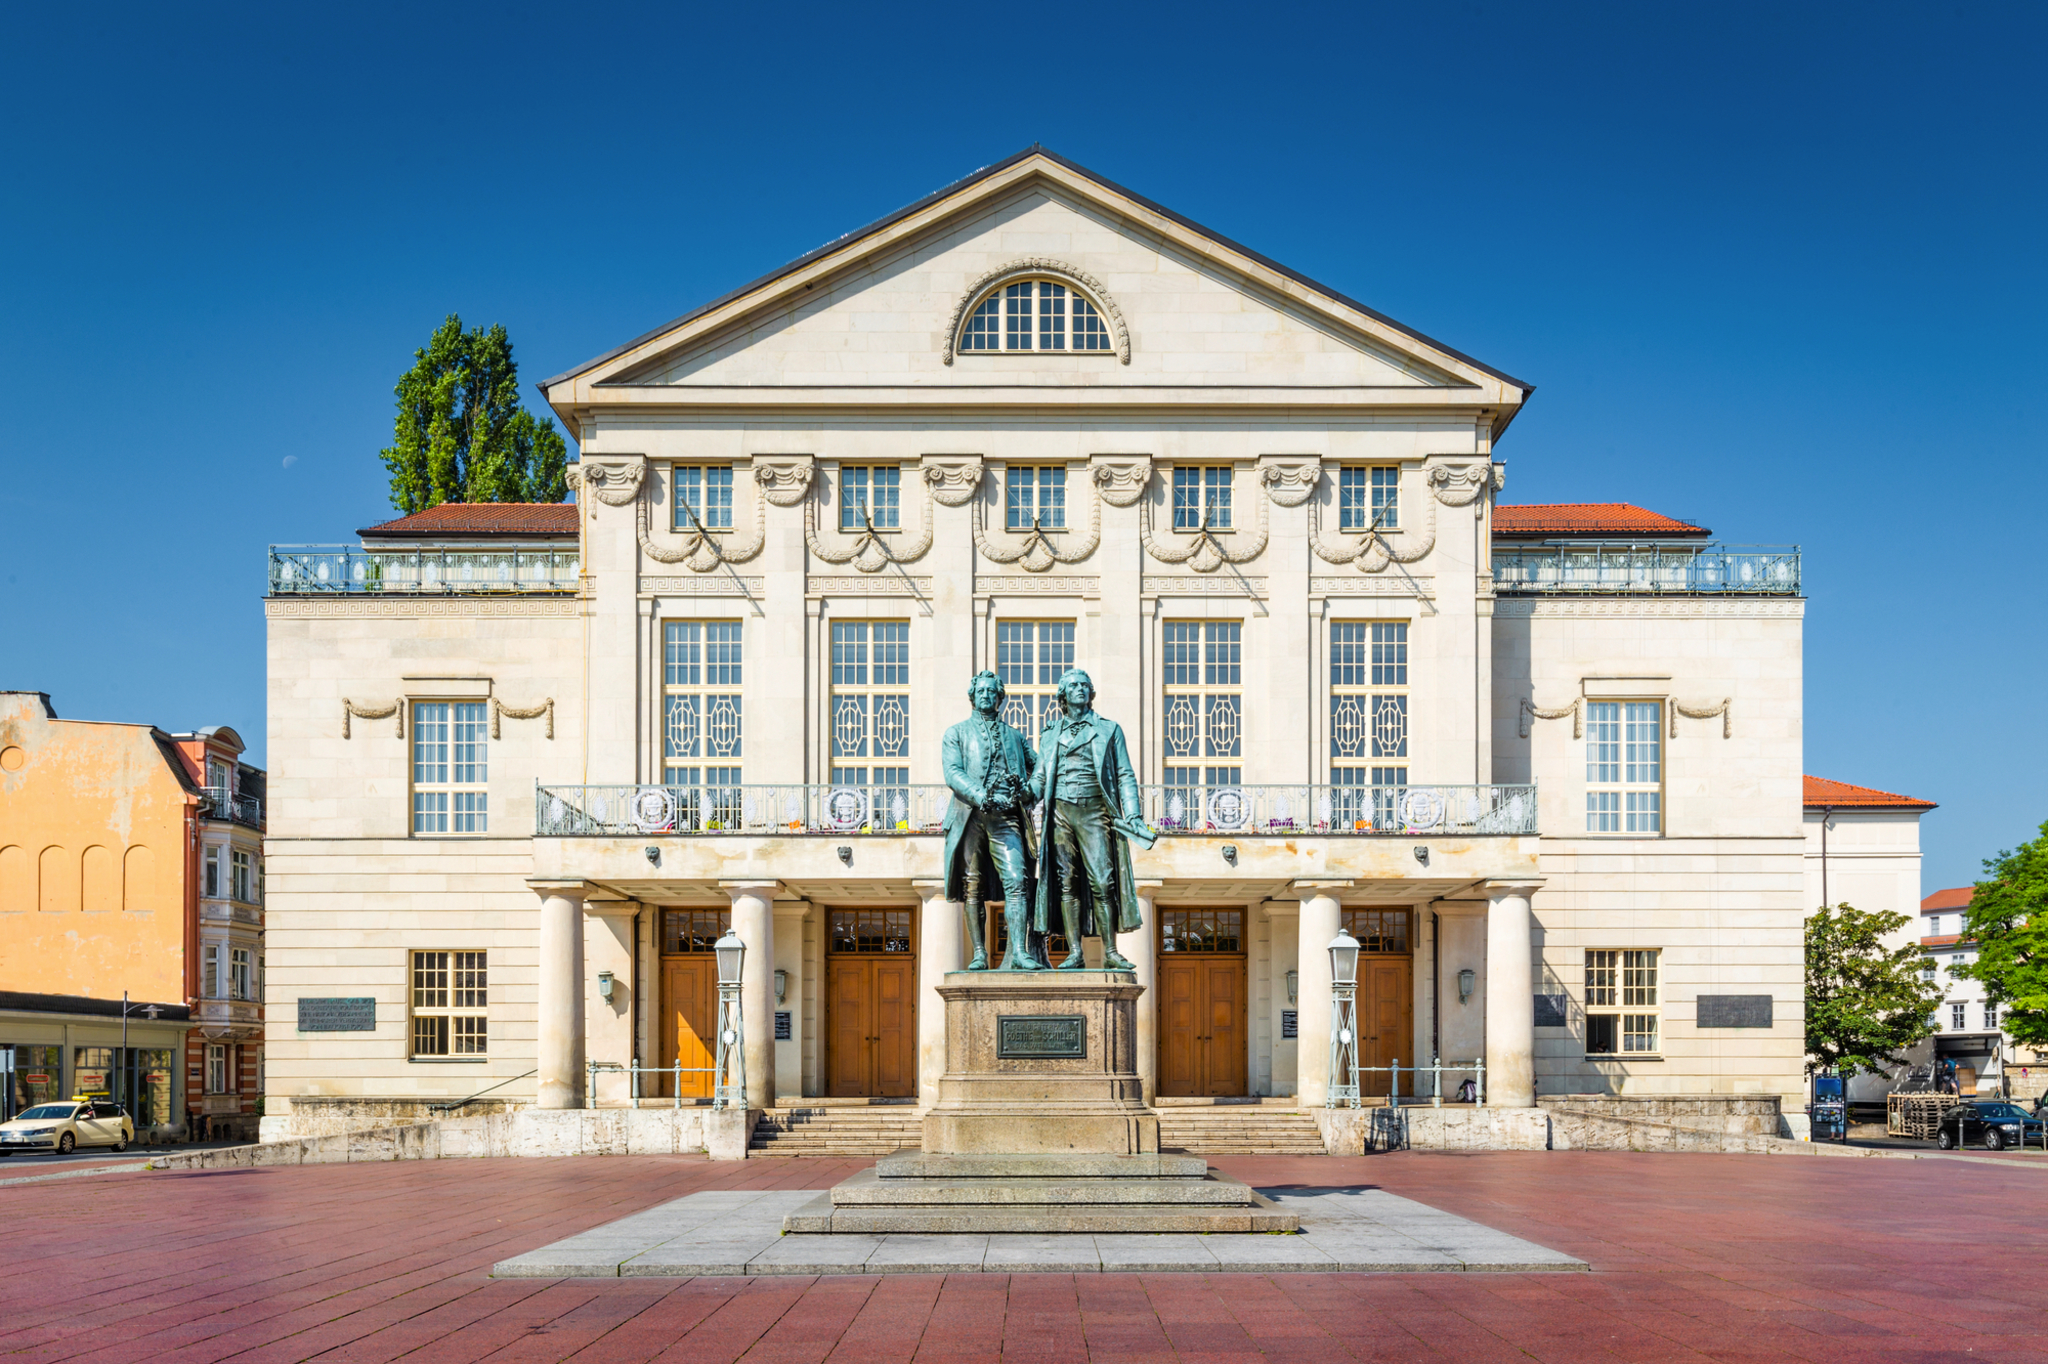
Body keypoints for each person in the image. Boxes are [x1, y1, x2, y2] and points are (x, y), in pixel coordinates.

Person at [1027, 669, 1156, 971]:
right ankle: (1075, 952)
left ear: (1092, 693)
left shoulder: (1109, 729)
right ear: (1063, 695)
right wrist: (1023, 794)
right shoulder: (1049, 735)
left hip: (1094, 811)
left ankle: (1110, 951)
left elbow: (1125, 774)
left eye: (1085, 685)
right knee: (1066, 883)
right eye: (1073, 685)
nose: (1080, 689)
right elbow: (1040, 778)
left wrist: (1133, 814)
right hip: (1059, 812)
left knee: (1103, 881)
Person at [940, 670, 1040, 970]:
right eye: (981, 691)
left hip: (1006, 816)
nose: (986, 695)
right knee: (973, 885)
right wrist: (981, 795)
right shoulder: (956, 733)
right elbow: (953, 773)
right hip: (969, 815)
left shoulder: (1015, 736)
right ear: (972, 697)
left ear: (1001, 698)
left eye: (992, 692)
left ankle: (1019, 952)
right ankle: (980, 953)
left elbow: (1040, 771)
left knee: (1017, 881)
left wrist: (1027, 792)